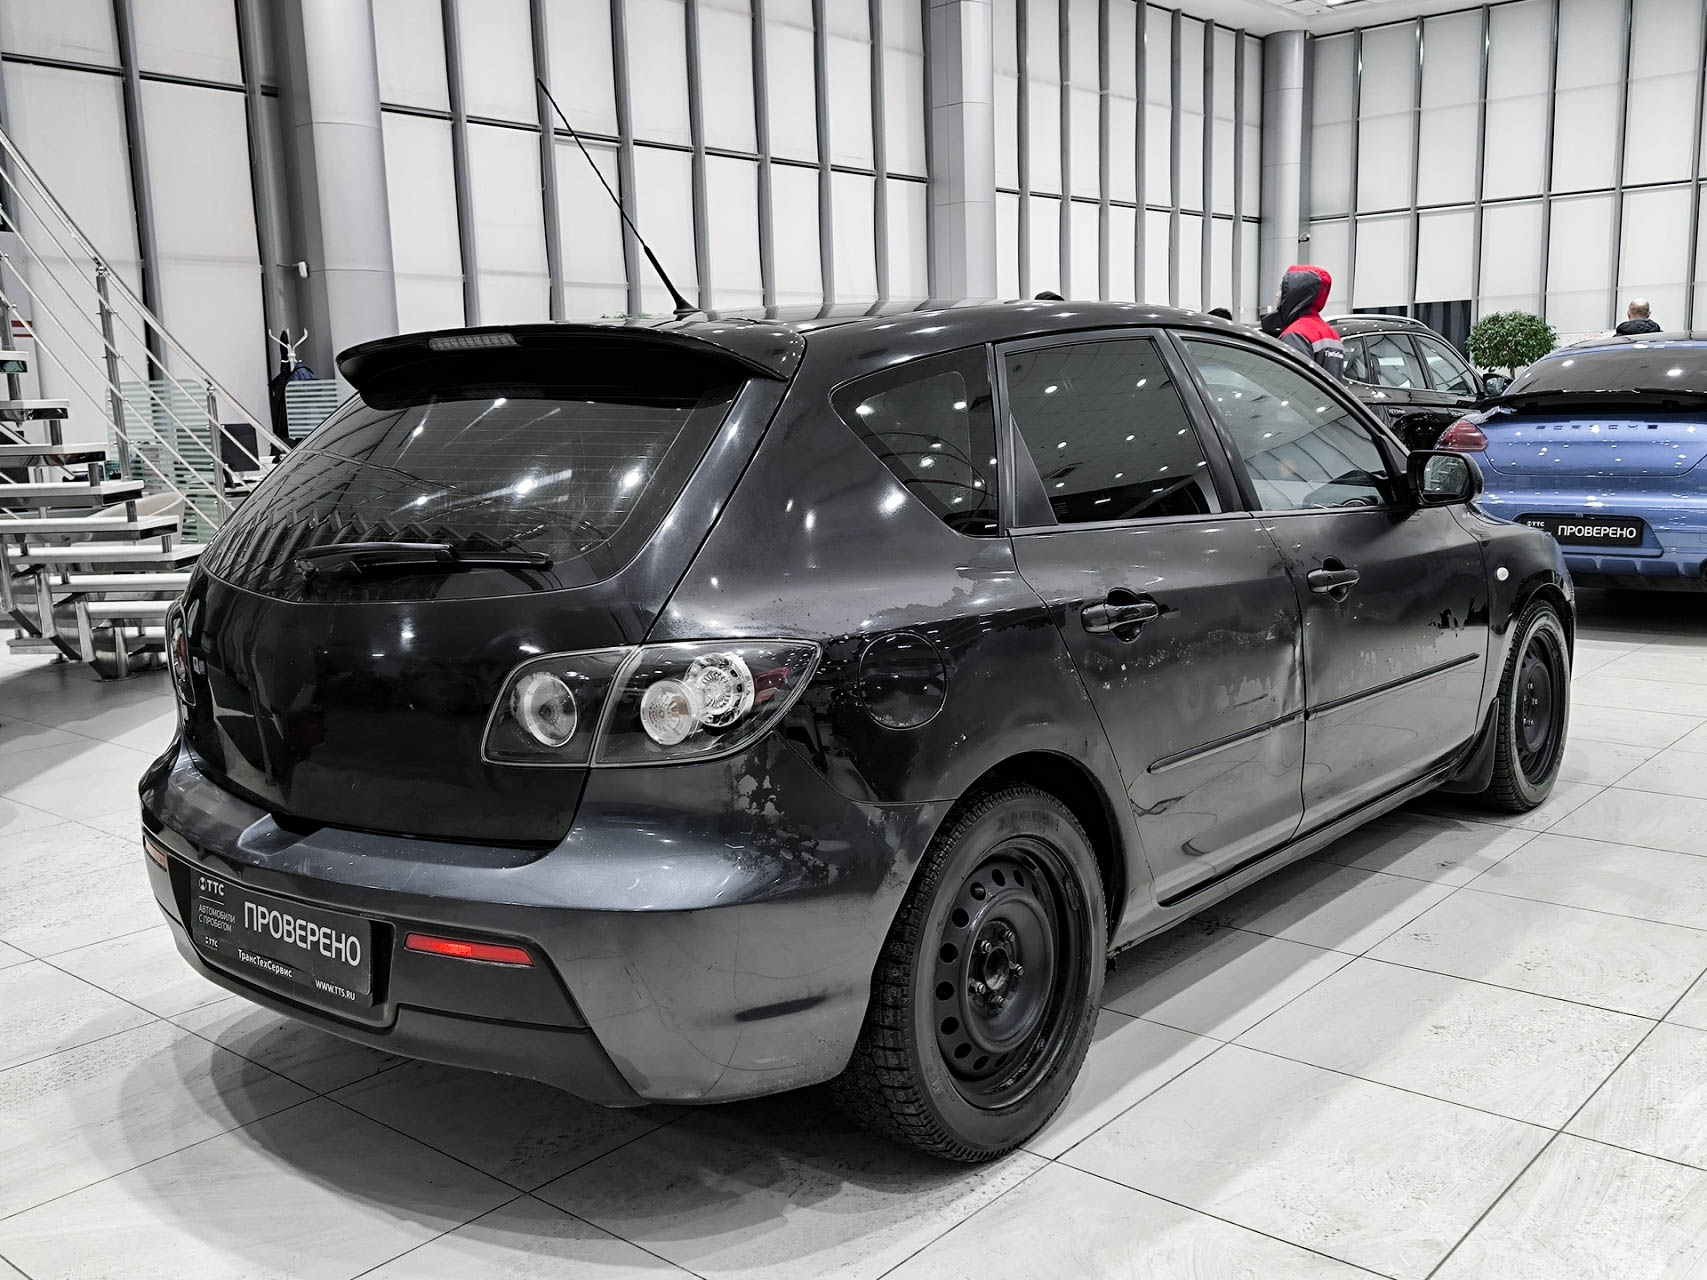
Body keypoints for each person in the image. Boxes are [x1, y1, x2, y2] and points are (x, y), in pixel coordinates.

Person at [1261, 265, 1345, 379]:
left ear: (1293, 294)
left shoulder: (1295, 335)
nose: (1277, 294)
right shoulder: (1332, 334)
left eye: (1282, 289)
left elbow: (1289, 382)